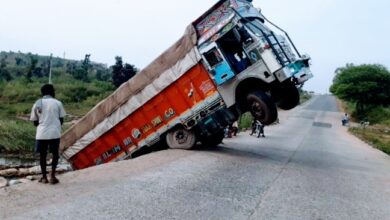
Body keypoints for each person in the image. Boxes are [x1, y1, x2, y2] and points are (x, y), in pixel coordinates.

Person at [30, 84, 66, 184]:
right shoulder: (58, 103)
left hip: (42, 134)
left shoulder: (37, 103)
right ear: (52, 92)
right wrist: (55, 125)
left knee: (42, 155)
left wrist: (42, 123)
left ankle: (44, 177)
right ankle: (53, 176)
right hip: (54, 133)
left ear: (42, 93)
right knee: (55, 154)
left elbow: (35, 122)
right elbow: (61, 119)